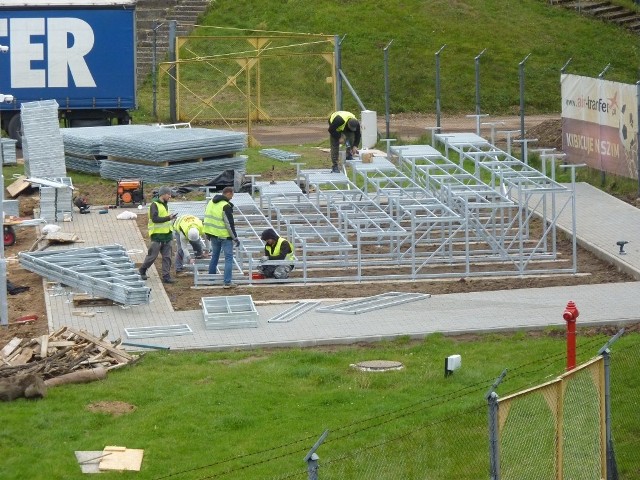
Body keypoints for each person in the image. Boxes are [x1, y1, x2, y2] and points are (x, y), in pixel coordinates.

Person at [139, 186, 177, 284]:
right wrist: (168, 218)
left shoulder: (165, 204)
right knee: (152, 256)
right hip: (157, 236)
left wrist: (170, 218)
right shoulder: (154, 205)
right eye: (168, 194)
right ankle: (142, 270)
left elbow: (164, 218)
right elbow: (155, 219)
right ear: (163, 194)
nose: (170, 196)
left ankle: (166, 276)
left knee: (167, 257)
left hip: (167, 235)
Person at [203, 186, 239, 289]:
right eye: (232, 195)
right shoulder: (225, 206)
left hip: (213, 235)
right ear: (228, 193)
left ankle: (211, 279)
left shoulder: (211, 202)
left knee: (215, 256)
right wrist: (235, 238)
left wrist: (208, 234)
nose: (232, 197)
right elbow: (229, 224)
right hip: (224, 236)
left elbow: (207, 218)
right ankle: (227, 282)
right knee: (228, 258)